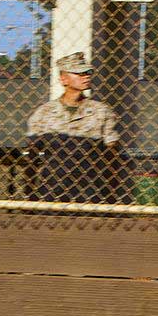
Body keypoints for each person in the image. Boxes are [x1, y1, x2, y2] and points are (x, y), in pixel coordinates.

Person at [26, 52, 123, 203]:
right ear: (63, 79)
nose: (86, 76)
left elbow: (112, 153)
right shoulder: (44, 113)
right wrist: (30, 191)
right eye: (79, 73)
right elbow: (32, 154)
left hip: (90, 192)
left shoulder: (101, 111)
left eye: (87, 73)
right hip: (52, 191)